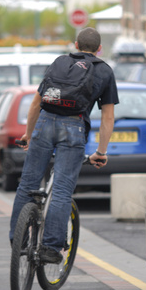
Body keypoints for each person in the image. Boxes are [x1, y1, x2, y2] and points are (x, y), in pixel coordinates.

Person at [9, 27, 119, 263]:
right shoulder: (104, 71)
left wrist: (29, 134)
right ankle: (50, 247)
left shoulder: (59, 62)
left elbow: (36, 103)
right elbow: (107, 116)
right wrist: (101, 151)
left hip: (45, 123)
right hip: (73, 127)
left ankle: (18, 239)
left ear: (75, 45)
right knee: (61, 188)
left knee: (27, 183)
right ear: (99, 49)